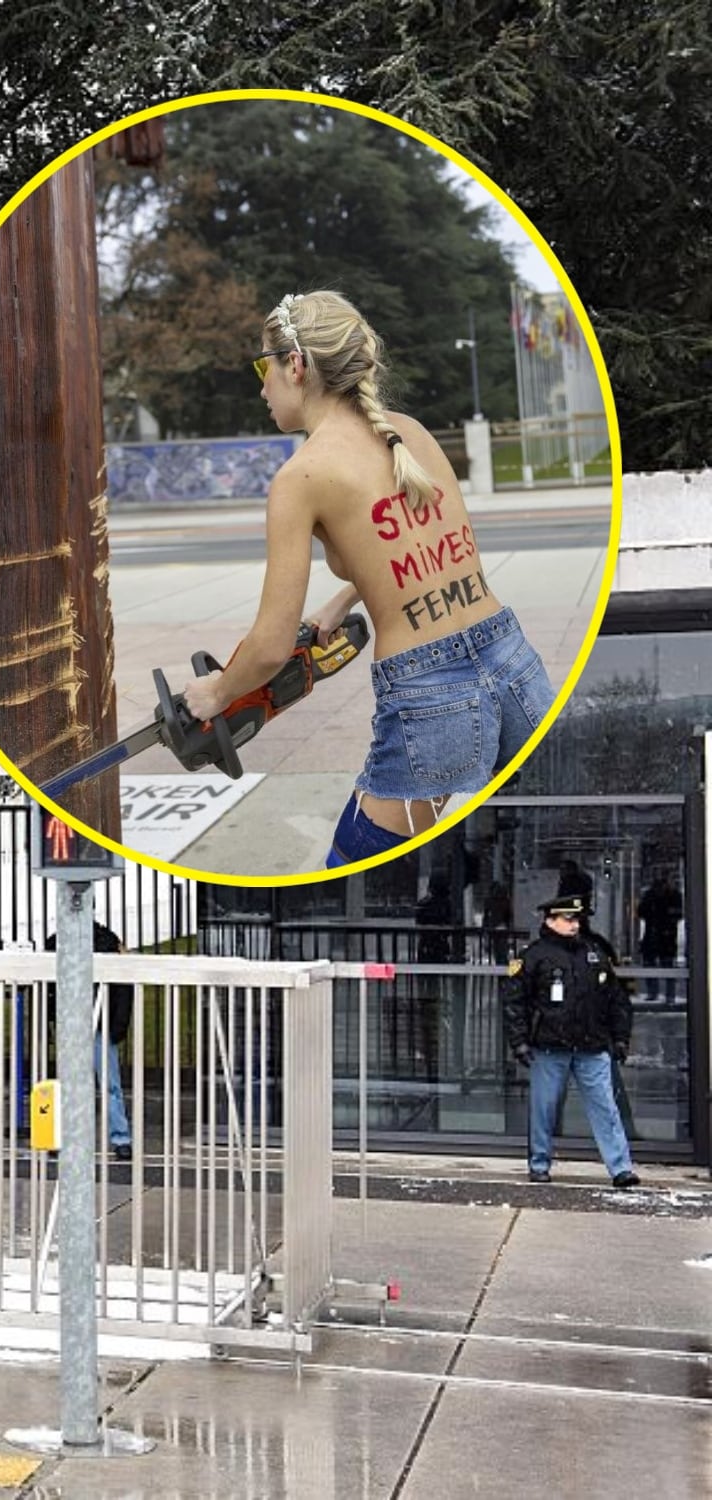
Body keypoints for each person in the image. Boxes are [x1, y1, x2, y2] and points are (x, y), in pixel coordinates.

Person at [179, 292, 554, 868]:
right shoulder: (409, 433)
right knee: (526, 848)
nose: (262, 387)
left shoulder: (301, 476)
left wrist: (217, 692)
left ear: (296, 366)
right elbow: (427, 545)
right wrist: (340, 601)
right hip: (514, 662)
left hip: (432, 693)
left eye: (263, 367)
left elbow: (273, 643)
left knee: (357, 865)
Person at [501, 893, 639, 1187]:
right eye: (568, 918)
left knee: (605, 1108)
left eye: (577, 919)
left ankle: (620, 1168)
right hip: (549, 1047)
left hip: (592, 1046)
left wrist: (620, 1038)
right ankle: (539, 1164)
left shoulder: (594, 952)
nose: (575, 924)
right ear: (550, 920)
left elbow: (616, 1000)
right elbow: (515, 1003)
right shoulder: (534, 956)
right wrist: (520, 1043)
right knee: (544, 1109)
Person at [44, 921, 137, 1161]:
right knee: (104, 1084)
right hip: (87, 1022)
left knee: (81, 1083)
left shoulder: (60, 940)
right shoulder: (107, 939)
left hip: (88, 1022)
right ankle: (119, 1139)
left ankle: (68, 1137)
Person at [638, 872, 682, 967]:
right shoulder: (650, 896)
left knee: (667, 965)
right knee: (651, 967)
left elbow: (678, 914)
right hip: (653, 938)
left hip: (667, 939)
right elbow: (641, 912)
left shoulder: (673, 896)